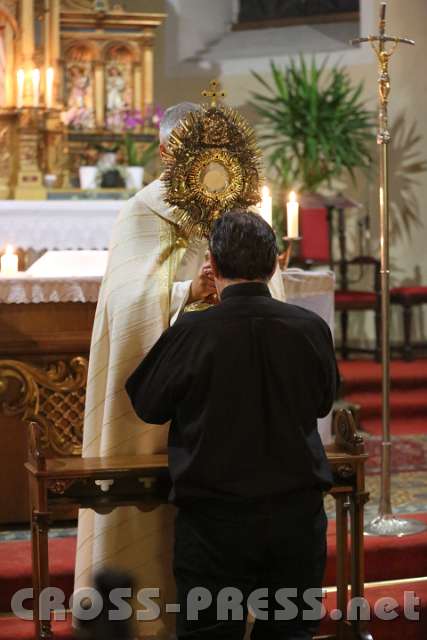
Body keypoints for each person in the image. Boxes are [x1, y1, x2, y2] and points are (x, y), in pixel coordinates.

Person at [75, 104, 286, 640]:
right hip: (175, 390)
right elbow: (123, 304)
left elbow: (272, 291)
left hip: (230, 397)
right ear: (170, 152)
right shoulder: (146, 211)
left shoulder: (245, 204)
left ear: (161, 148)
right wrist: (184, 292)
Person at [126, 210, 338, 639]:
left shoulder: (193, 331)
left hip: (214, 522)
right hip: (296, 516)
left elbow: (148, 403)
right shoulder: (310, 328)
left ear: (213, 266)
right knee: (289, 631)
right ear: (275, 262)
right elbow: (321, 402)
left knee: (210, 632)